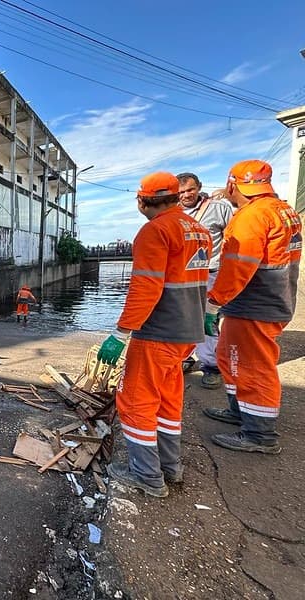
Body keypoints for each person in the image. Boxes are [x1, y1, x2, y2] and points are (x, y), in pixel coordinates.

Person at [98, 172, 211, 498]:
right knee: (167, 399)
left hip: (158, 332)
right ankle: (170, 467)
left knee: (136, 400)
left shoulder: (154, 231)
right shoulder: (199, 231)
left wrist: (121, 334)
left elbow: (145, 288)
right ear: (176, 197)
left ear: (142, 200)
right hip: (186, 332)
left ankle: (147, 475)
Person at [203, 160, 302, 454]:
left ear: (233, 184)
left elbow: (237, 267)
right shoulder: (284, 212)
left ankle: (260, 433)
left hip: (254, 303)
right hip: (271, 298)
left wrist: (214, 302)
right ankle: (240, 411)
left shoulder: (251, 218)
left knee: (252, 365)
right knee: (229, 355)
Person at [177, 172, 234, 389]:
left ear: (199, 187)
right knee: (185, 319)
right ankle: (188, 357)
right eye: (181, 192)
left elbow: (232, 238)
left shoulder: (219, 209)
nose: (186, 195)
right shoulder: (173, 213)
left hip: (211, 272)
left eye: (190, 190)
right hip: (184, 276)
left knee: (208, 320)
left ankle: (211, 367)